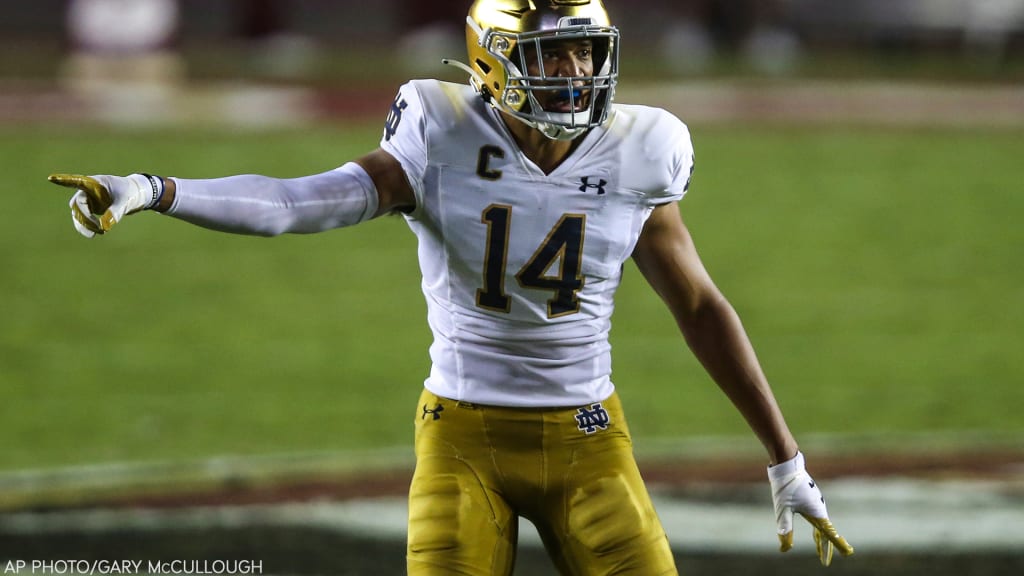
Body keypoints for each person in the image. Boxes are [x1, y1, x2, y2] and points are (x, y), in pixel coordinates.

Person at [49, 0, 853, 574]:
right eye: (552, 55)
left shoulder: (644, 148)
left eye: (586, 52)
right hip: (461, 439)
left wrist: (785, 459)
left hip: (591, 443)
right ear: (494, 61)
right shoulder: (440, 131)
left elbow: (701, 307)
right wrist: (156, 188)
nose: (575, 74)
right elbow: (299, 201)